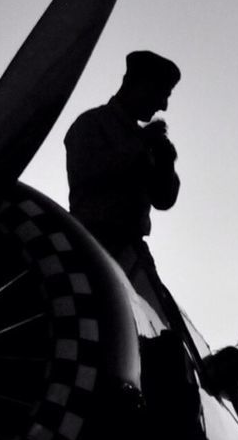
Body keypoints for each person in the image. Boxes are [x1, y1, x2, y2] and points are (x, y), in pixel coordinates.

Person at [64, 50, 181, 322]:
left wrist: (166, 161)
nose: (163, 105)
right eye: (161, 93)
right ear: (138, 84)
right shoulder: (91, 124)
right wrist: (139, 148)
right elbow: (88, 172)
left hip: (132, 253)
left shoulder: (145, 140)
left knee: (161, 326)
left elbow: (164, 199)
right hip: (92, 247)